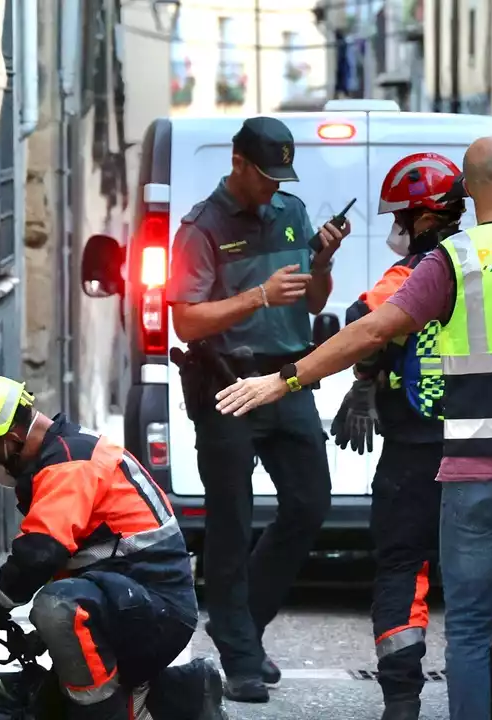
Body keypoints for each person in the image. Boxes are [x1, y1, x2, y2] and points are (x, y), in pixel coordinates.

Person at [214, 135, 492, 720]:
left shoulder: (456, 261)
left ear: (470, 190)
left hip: (476, 473)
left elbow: (369, 331)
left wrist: (283, 380)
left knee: (464, 623)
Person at [166, 115, 351, 702]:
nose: (275, 185)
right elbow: (186, 318)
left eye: (282, 176)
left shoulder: (291, 212)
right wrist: (256, 296)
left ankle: (240, 622)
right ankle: (242, 657)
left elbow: (316, 298)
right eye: (265, 175)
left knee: (309, 503)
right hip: (227, 382)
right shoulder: (201, 227)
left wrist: (322, 260)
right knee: (230, 519)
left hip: (287, 377)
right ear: (238, 164)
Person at [0, 373, 224, 720]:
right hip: (140, 602)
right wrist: (42, 638)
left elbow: (38, 555)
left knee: (57, 608)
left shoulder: (68, 465)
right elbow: (84, 562)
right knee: (48, 706)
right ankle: (191, 694)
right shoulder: (66, 451)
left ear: (10, 439)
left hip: (157, 611)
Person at [338, 152, 467, 720]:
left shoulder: (409, 275)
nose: (394, 228)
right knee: (481, 572)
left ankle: (401, 702)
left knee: (401, 569)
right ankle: (485, 691)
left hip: (412, 455)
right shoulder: (482, 264)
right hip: (480, 451)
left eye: (400, 217)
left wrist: (362, 378)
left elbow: (359, 320)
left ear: (422, 217)